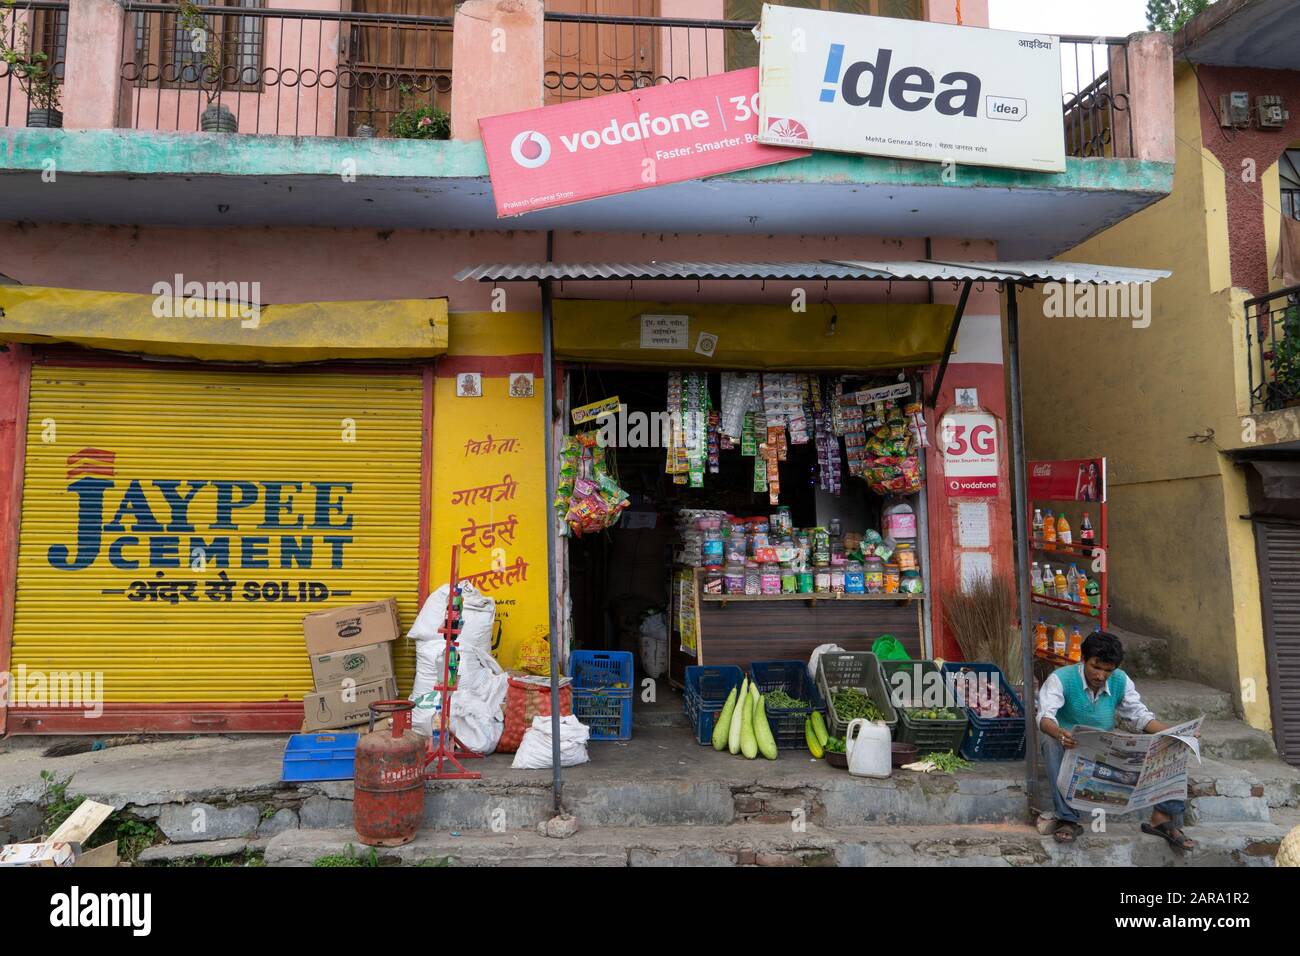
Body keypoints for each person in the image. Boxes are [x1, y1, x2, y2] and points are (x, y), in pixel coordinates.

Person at [1036, 630, 1195, 850]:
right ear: (1083, 659)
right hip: (1070, 746)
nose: (1101, 676)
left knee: (1171, 742)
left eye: (1108, 670)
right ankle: (1067, 819)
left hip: (1104, 749)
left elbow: (1140, 716)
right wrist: (1059, 733)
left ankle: (1161, 818)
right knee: (1049, 741)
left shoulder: (1120, 680)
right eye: (1096, 667)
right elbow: (1045, 718)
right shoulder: (1061, 678)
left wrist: (1176, 733)